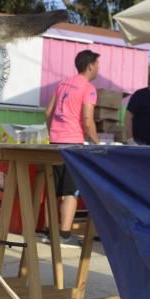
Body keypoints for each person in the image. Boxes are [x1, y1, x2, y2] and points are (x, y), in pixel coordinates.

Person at [44, 49, 100, 246]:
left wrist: (53, 131)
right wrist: (97, 143)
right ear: (91, 65)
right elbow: (87, 119)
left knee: (53, 190)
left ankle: (49, 232)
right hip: (73, 143)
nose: (99, 69)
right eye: (98, 64)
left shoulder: (62, 83)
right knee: (70, 192)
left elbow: (48, 111)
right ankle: (65, 234)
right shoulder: (88, 88)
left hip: (55, 142)